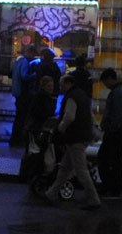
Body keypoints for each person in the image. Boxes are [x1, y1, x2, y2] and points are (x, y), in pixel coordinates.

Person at [44, 74, 100, 209]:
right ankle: (51, 193)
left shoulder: (71, 97)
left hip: (75, 137)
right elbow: (89, 115)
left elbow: (69, 117)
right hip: (82, 136)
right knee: (65, 167)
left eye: (62, 86)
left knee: (80, 170)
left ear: (68, 84)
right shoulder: (82, 95)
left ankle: (94, 199)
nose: (61, 89)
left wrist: (60, 129)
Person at [96, 68, 122, 199]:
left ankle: (112, 188)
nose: (105, 85)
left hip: (114, 132)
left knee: (108, 159)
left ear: (110, 79)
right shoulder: (119, 92)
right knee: (113, 159)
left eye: (105, 82)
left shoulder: (117, 94)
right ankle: (112, 187)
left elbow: (117, 115)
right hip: (116, 131)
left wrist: (108, 127)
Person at [10, 44, 38, 147]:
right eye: (33, 54)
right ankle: (18, 140)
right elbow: (24, 76)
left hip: (17, 93)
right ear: (30, 52)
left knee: (18, 118)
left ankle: (14, 139)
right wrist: (34, 75)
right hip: (23, 94)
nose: (34, 57)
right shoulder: (25, 62)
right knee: (22, 118)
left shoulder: (18, 61)